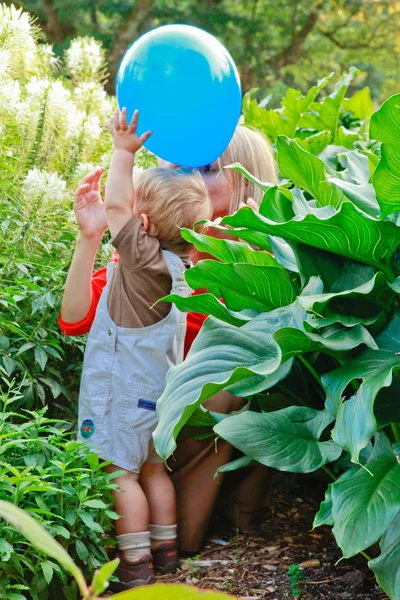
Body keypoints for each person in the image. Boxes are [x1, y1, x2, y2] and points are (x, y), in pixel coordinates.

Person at [59, 123, 278, 555]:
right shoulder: (150, 259)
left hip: (187, 417)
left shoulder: (260, 261)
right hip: (157, 417)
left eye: (208, 167)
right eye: (178, 165)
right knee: (141, 474)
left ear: (247, 187)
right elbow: (75, 320)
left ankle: (150, 554)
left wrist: (249, 256)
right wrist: (89, 239)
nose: (189, 176)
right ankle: (165, 549)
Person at [66, 106, 212, 590]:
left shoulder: (142, 261)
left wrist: (123, 152)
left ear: (144, 224)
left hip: (123, 395)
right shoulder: (179, 269)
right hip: (159, 396)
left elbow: (117, 210)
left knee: (118, 475)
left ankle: (135, 569)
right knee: (152, 470)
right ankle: (166, 556)